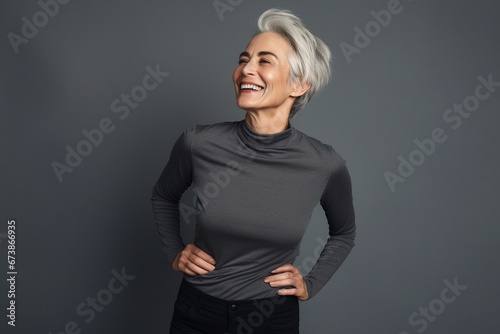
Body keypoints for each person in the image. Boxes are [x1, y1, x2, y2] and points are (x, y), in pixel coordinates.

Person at [151, 8, 356, 334]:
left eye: (264, 61)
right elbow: (163, 196)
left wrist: (311, 283)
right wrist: (175, 252)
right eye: (244, 59)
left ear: (299, 84)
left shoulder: (323, 163)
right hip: (197, 312)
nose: (245, 69)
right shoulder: (198, 143)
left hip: (272, 317)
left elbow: (344, 233)